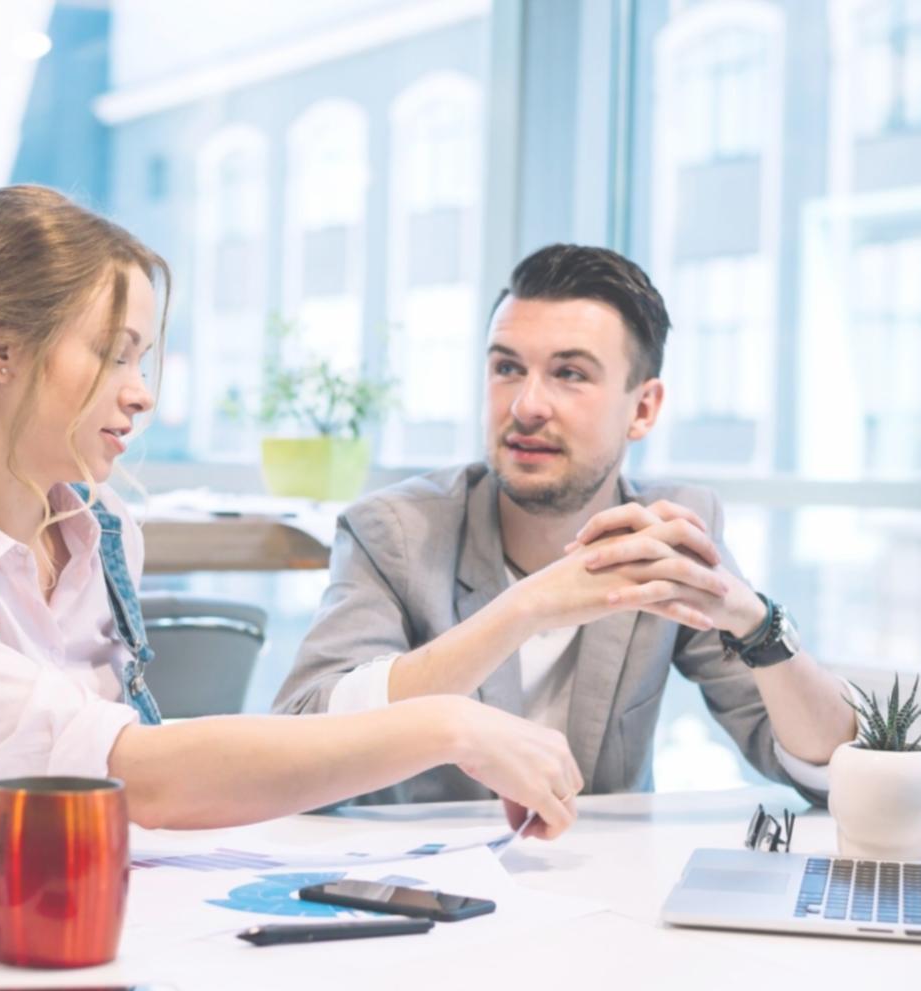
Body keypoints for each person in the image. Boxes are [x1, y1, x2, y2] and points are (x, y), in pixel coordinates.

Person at [0, 185, 582, 837]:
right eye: (112, 352)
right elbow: (134, 775)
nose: (142, 391)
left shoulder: (101, 532)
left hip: (55, 946)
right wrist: (453, 728)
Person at [273, 243, 854, 804]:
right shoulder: (394, 533)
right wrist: (526, 607)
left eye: (570, 374)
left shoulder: (669, 534)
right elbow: (297, 744)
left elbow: (830, 767)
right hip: (417, 887)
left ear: (643, 408)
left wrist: (756, 622)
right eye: (506, 367)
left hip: (599, 884)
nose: (526, 405)